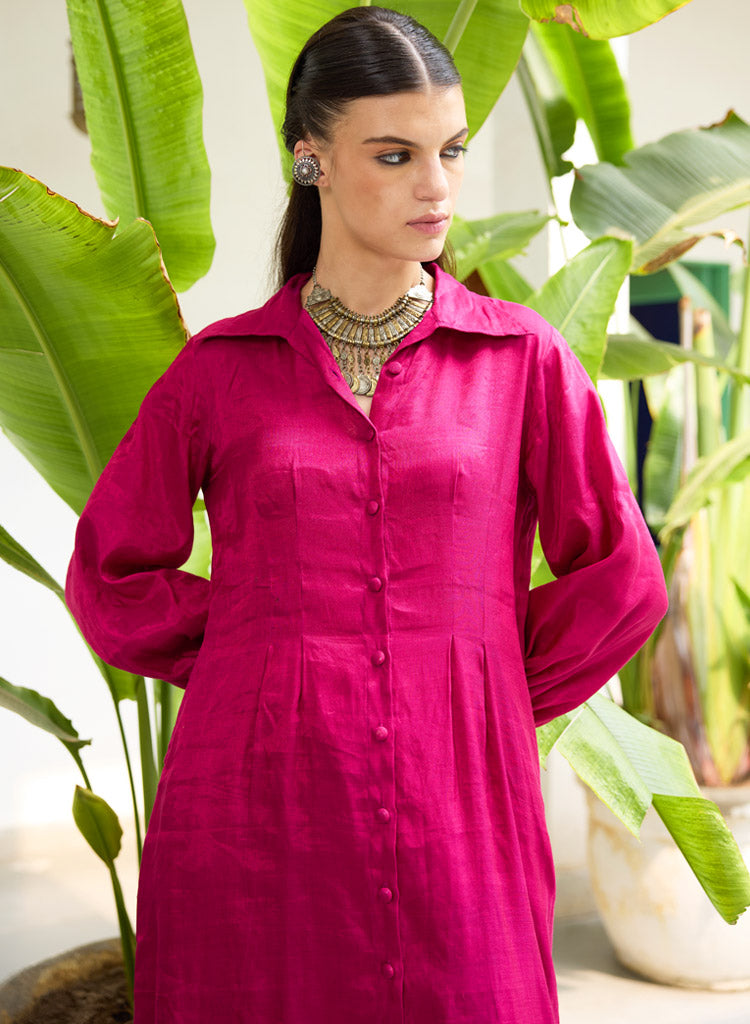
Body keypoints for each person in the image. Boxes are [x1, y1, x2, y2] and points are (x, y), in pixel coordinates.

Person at [65, 7, 668, 1023]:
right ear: (314, 159)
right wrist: (257, 649)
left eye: (451, 150)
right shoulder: (220, 370)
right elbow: (111, 575)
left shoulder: (522, 361)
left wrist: (484, 680)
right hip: (253, 800)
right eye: (396, 155)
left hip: (459, 804)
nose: (437, 186)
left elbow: (622, 577)